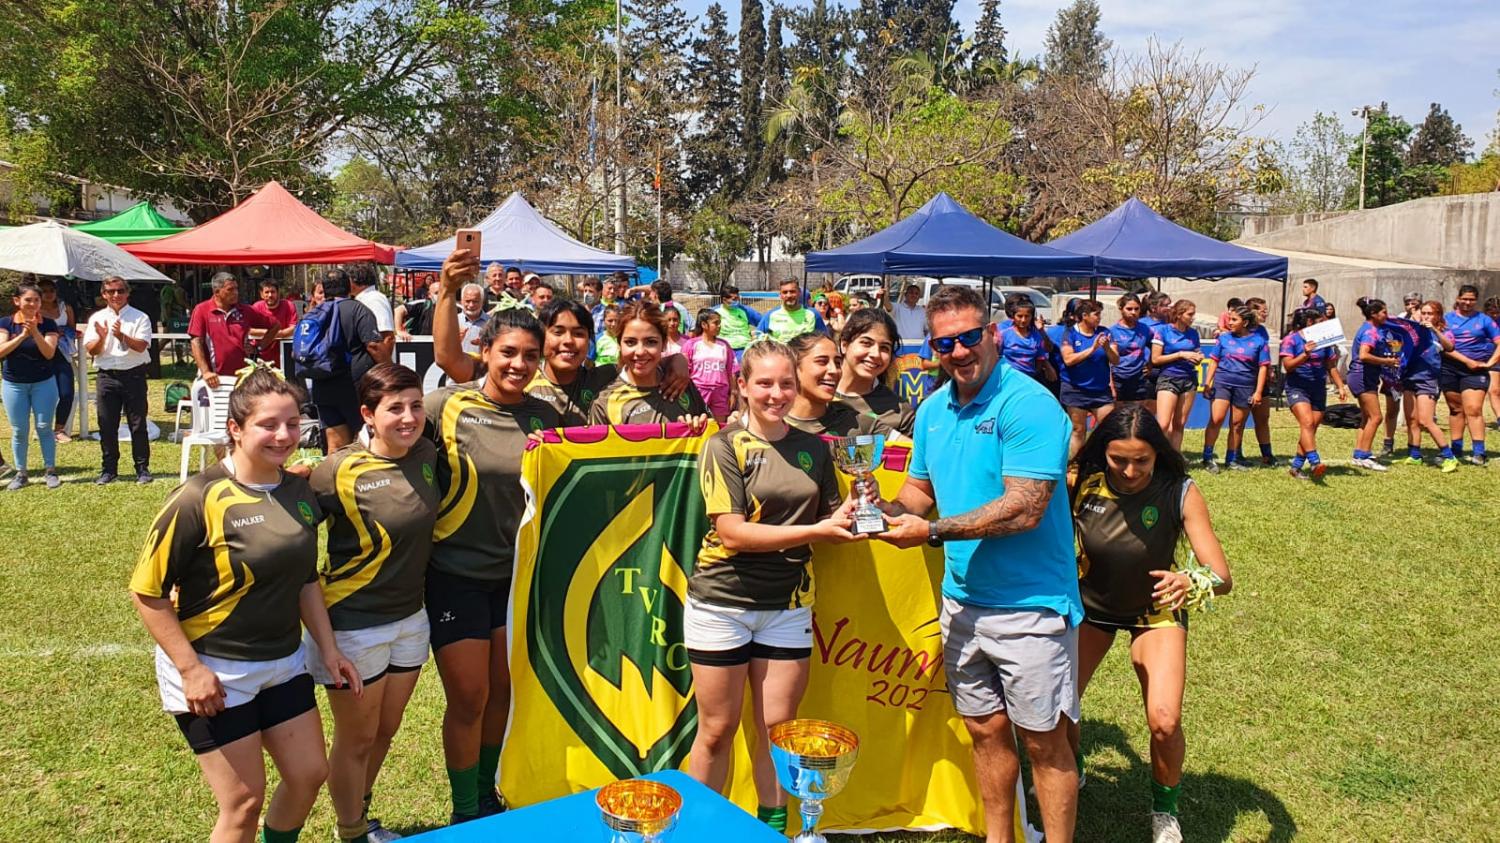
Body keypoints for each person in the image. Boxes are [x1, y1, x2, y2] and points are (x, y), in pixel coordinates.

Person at [874, 284, 1081, 843]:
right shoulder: (933, 411)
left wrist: (932, 531)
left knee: (1044, 741)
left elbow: (1026, 508)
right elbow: (919, 493)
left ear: (993, 334)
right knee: (985, 731)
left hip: (1031, 604)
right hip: (962, 603)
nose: (959, 352)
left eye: (968, 338)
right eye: (945, 344)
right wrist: (880, 510)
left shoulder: (1029, 403)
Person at [129, 367, 361, 843]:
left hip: (283, 662)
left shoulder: (298, 492)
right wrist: (191, 670)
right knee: (242, 802)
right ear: (235, 428)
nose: (284, 436)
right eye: (268, 425)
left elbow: (304, 580)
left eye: (292, 423)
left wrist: (329, 649)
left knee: (308, 774)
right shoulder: (196, 498)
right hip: (216, 668)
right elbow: (147, 592)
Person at [686, 340, 857, 832]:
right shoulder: (722, 446)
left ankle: (773, 831)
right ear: (742, 386)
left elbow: (834, 520)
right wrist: (816, 531)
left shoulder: (814, 449)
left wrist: (858, 506)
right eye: (764, 383)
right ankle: (697, 832)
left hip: (788, 606)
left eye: (785, 383)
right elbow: (733, 534)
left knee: (779, 732)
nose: (776, 394)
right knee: (717, 730)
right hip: (722, 604)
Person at [428, 249, 563, 823]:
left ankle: (487, 797)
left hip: (516, 581)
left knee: (503, 694)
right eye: (508, 352)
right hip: (454, 576)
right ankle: (464, 811)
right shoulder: (445, 406)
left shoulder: (547, 419)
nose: (519, 364)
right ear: (484, 351)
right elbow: (382, 446)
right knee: (469, 698)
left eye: (530, 355)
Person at [1068, 405, 1232, 843]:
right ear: (1103, 452)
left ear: (1158, 453)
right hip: (1090, 608)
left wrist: (1190, 580)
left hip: (1154, 613)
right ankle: (1072, 767)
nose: (1129, 470)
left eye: (1141, 460)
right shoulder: (1079, 482)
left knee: (1164, 720)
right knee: (1061, 706)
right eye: (1118, 459)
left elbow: (1221, 576)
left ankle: (1165, 810)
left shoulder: (1180, 490)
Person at [309, 364, 438, 843]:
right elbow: (284, 523)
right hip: (353, 624)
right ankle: (352, 832)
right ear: (367, 414)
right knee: (357, 737)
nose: (409, 417)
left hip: (411, 618)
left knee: (386, 729)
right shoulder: (336, 471)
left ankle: (359, 814)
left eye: (416, 406)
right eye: (394, 408)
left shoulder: (425, 452)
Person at [588, 301, 710, 429]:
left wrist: (699, 427)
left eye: (651, 342)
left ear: (664, 344)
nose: (640, 352)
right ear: (619, 345)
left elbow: (712, 434)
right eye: (630, 342)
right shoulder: (604, 403)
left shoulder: (681, 383)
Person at [310, 269, 389, 453]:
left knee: (335, 445)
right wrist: (389, 369)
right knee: (364, 440)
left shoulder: (314, 313)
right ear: (348, 286)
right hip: (353, 386)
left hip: (322, 385)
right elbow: (374, 345)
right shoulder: (358, 309)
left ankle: (335, 472)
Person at [84, 276, 154, 485]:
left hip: (133, 375)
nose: (116, 295)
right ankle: (109, 469)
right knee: (106, 424)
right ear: (104, 294)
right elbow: (92, 351)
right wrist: (102, 337)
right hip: (107, 376)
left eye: (120, 290)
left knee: (138, 424)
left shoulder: (140, 317)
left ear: (127, 292)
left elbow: (141, 346)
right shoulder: (97, 318)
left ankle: (142, 469)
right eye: (111, 291)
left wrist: (121, 335)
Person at [0, 281, 62, 490]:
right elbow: (1, 351)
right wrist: (22, 336)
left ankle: (50, 470)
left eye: (37, 300)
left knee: (44, 427)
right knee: (19, 430)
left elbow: (49, 353)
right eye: (28, 300)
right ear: (17, 301)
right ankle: (21, 473)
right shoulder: (6, 323)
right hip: (14, 385)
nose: (33, 304)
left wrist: (35, 332)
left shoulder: (49, 324)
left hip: (43, 383)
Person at [785, 332, 901, 439]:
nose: (834, 370)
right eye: (822, 361)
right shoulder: (776, 425)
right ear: (793, 368)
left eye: (837, 363)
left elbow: (909, 450)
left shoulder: (859, 425)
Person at [1279, 307, 1349, 480]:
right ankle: (1315, 461)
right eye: (1320, 322)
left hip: (1318, 388)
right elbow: (1288, 366)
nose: (1324, 324)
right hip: (1297, 387)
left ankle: (1296, 467)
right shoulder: (1291, 340)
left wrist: (1340, 386)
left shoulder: (1322, 340)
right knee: (1307, 423)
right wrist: (1305, 354)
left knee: (1310, 428)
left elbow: (1331, 366)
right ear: (1309, 322)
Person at [1199, 305, 1270, 473]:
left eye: (1234, 320)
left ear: (1245, 322)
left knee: (1237, 424)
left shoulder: (1259, 341)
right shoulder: (1223, 339)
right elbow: (1214, 361)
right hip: (1222, 383)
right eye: (1229, 319)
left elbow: (1263, 368)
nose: (1229, 322)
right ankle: (1207, 457)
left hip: (1245, 386)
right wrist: (1207, 382)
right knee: (1217, 419)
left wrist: (1258, 392)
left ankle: (1231, 459)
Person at [835, 307, 917, 437]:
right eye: (866, 343)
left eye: (884, 348)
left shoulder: (900, 411)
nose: (875, 354)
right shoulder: (816, 395)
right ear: (844, 345)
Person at [1396, 301, 1459, 472]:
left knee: (1426, 420)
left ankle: (1449, 456)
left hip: (1428, 379)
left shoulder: (1443, 331)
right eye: (1423, 313)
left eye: (1430, 313)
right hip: (1410, 377)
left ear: (1438, 315)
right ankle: (1415, 454)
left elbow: (1450, 347)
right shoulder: (1415, 330)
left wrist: (1434, 330)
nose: (1426, 316)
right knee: (1412, 419)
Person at [189, 272, 281, 387]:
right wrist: (206, 372)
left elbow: (275, 326)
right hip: (213, 378)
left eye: (236, 288)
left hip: (242, 378)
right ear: (217, 292)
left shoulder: (246, 310)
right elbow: (195, 342)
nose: (235, 293)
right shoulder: (202, 310)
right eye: (230, 290)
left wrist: (259, 347)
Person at [1441, 284, 1500, 465]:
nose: (1467, 302)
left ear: (1476, 301)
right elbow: (1443, 346)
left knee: (1473, 409)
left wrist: (1489, 363)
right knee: (1455, 409)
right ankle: (1456, 449)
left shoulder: (1484, 320)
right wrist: (1466, 360)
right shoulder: (1446, 319)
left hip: (1475, 370)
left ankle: (1479, 452)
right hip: (1450, 368)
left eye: (1472, 300)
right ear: (1458, 299)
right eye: (1464, 299)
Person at [1059, 299, 1117, 459]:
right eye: (1096, 314)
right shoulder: (1070, 334)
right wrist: (1093, 348)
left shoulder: (1105, 332)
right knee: (1078, 430)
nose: (1099, 318)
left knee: (1110, 427)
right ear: (1084, 315)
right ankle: (1075, 464)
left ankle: (1103, 462)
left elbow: (1116, 360)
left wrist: (1106, 347)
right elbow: (1068, 360)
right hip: (1075, 390)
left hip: (1101, 391)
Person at [1347, 298, 1400, 471]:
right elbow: (1364, 355)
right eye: (1384, 312)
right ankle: (1365, 455)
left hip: (1365, 376)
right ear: (1373, 314)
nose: (1387, 315)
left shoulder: (1375, 329)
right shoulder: (1370, 332)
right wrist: (1387, 361)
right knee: (1376, 417)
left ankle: (1359, 453)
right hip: (1361, 376)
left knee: (1367, 417)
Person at [1150, 300, 1204, 452]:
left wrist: (1198, 357)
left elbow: (1197, 352)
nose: (1193, 318)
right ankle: (1157, 456)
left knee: (1179, 423)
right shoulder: (1163, 331)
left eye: (1193, 314)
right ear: (1179, 315)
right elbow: (1155, 359)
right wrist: (1180, 354)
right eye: (1190, 314)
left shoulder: (1193, 333)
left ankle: (1175, 457)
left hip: (1189, 380)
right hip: (1168, 378)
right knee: (1163, 424)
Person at [36, 278, 77, 442]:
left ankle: (59, 429)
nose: (48, 294)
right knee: (43, 394)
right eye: (44, 291)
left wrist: (63, 331)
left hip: (62, 354)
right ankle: (42, 427)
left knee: (67, 393)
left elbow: (73, 329)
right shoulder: (34, 309)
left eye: (51, 290)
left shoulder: (65, 308)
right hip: (41, 355)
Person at [683, 309, 739, 423]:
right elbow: (684, 371)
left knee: (719, 425)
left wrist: (733, 392)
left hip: (720, 392)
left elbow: (731, 370)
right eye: (715, 323)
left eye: (719, 323)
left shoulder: (724, 345)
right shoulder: (691, 345)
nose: (719, 326)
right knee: (698, 424)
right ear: (704, 325)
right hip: (698, 391)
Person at [1243, 298, 1279, 466]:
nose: (1266, 314)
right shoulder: (1240, 329)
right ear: (1252, 311)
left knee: (1263, 418)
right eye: (1263, 311)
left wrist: (1269, 369)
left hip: (1261, 378)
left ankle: (1267, 454)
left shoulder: (1262, 331)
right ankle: (1235, 453)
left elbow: (1265, 354)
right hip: (1244, 379)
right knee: (1239, 421)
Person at [1109, 294, 1155, 409]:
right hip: (1118, 378)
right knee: (1120, 415)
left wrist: (1150, 365)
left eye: (1136, 309)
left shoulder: (1145, 329)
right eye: (1129, 309)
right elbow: (1107, 360)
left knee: (1137, 413)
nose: (1133, 312)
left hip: (1139, 378)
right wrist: (1111, 383)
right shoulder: (1112, 331)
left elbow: (1154, 345)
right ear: (1121, 309)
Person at [998, 301, 1057, 387]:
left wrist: (1041, 331)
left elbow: (1042, 355)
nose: (1023, 320)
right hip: (1009, 379)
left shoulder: (1036, 336)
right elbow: (996, 356)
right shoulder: (1004, 335)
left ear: (1032, 317)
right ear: (1013, 316)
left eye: (1027, 316)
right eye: (1019, 316)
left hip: (1028, 380)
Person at [759, 278, 828, 343]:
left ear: (799, 292)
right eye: (785, 292)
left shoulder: (813, 315)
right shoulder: (770, 315)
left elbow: (825, 340)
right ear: (780, 295)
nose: (789, 295)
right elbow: (757, 339)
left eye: (792, 292)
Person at [251, 280, 299, 364]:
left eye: (272, 292)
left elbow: (294, 328)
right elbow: (249, 330)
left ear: (278, 293)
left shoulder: (288, 306)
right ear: (261, 294)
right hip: (261, 356)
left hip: (284, 355)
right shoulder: (256, 308)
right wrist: (273, 333)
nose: (270, 295)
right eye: (267, 292)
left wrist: (278, 334)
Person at [351, 267, 396, 350]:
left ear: (353, 281)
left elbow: (387, 336)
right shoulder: (367, 298)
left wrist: (384, 358)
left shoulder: (373, 299)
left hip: (377, 356)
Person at [715, 285, 761, 359]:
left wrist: (757, 335)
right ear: (724, 300)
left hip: (743, 349)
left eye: (738, 298)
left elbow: (762, 322)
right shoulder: (714, 312)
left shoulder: (745, 310)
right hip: (723, 349)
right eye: (734, 299)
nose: (737, 301)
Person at [395, 273, 445, 339]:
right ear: (429, 295)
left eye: (442, 292)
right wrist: (399, 330)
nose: (439, 295)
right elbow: (399, 310)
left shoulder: (452, 308)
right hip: (421, 342)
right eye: (436, 293)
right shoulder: (423, 304)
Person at [889, 282, 928, 348]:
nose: (914, 295)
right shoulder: (897, 307)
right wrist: (884, 296)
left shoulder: (922, 311)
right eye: (911, 292)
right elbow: (888, 306)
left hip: (920, 346)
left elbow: (927, 330)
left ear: (919, 297)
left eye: (916, 293)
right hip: (901, 346)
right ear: (905, 294)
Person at [458, 284, 492, 355]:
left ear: (482, 302)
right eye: (467, 301)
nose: (471, 305)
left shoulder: (491, 323)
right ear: (461, 301)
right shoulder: (453, 321)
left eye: (475, 301)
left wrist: (485, 343)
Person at [1486, 296, 1500, 429]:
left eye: (1497, 313)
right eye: (1492, 313)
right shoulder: (1484, 323)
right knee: (1494, 390)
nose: (1495, 315)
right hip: (1492, 360)